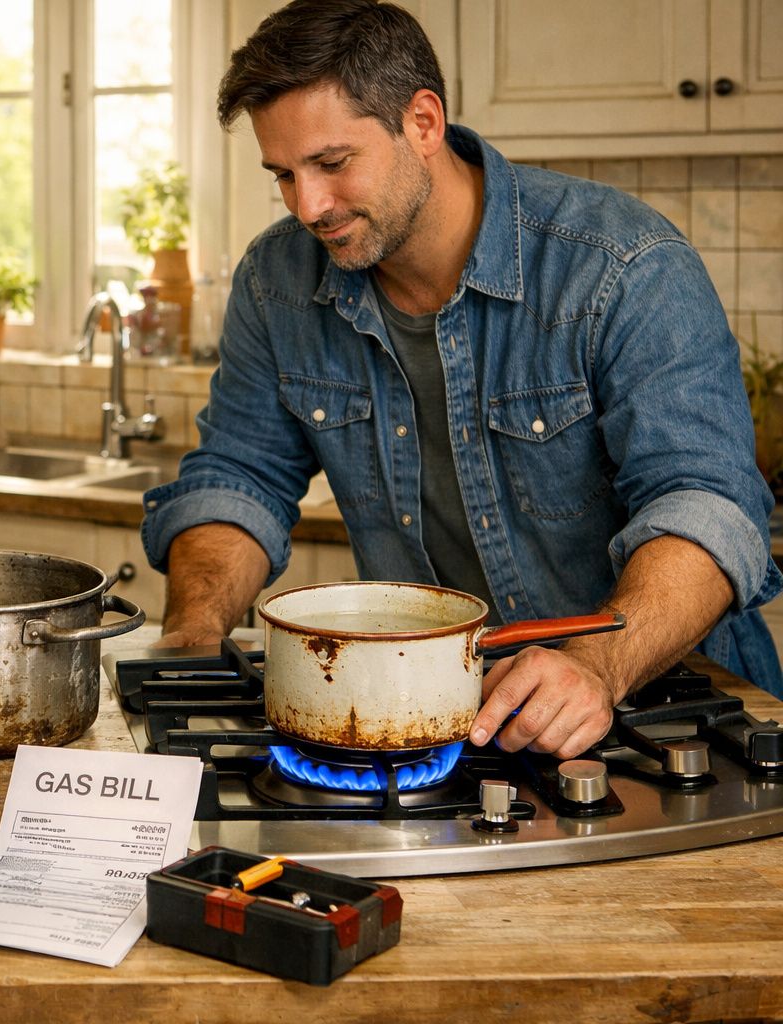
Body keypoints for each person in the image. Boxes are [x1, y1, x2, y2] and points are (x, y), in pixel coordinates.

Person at [142, 0, 782, 760]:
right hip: (435, 716)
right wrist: (192, 632)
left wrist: (595, 666)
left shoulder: (623, 265)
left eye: (332, 164)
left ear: (422, 122)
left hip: (666, 706)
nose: (307, 205)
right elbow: (239, 477)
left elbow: (708, 505)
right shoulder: (275, 281)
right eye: (283, 173)